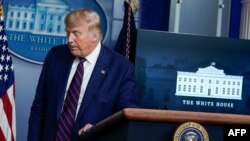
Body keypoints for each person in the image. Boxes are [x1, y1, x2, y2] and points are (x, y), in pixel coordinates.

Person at [28, 8, 138, 141]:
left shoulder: (121, 68)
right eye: (67, 32)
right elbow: (39, 106)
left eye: (76, 33)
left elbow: (125, 117)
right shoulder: (55, 56)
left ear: (94, 36)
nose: (69, 39)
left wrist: (99, 127)